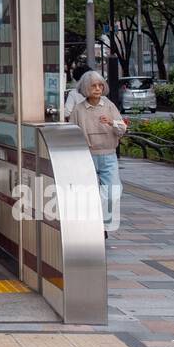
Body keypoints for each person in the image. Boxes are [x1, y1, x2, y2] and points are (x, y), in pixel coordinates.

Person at [68, 69, 128, 233]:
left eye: (100, 85)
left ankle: (104, 224)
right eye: (93, 85)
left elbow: (122, 129)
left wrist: (112, 122)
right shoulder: (79, 109)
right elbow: (72, 134)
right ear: (86, 88)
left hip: (109, 155)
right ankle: (97, 226)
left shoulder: (109, 105)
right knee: (89, 194)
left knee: (113, 192)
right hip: (87, 157)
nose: (97, 89)